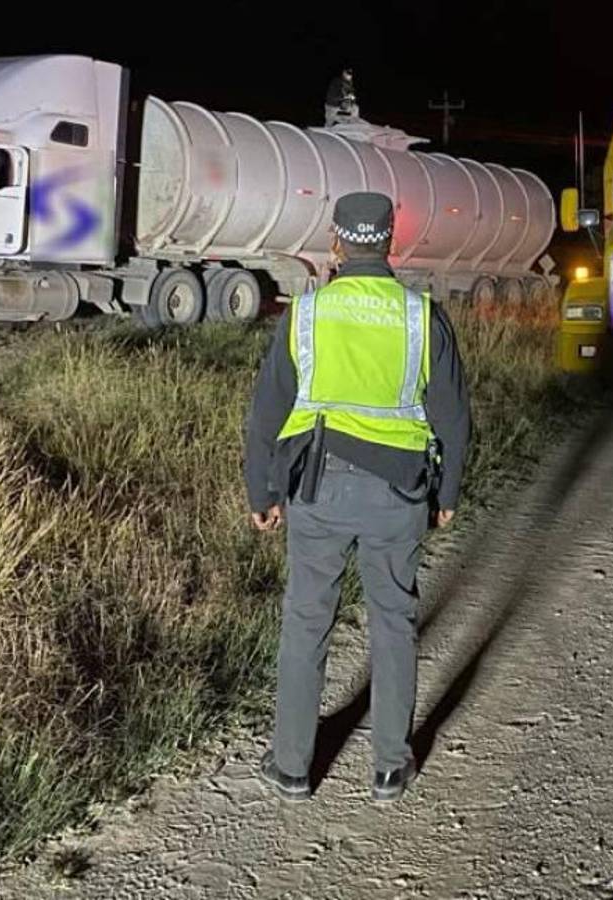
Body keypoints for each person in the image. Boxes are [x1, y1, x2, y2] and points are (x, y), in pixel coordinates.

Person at [245, 191, 471, 803]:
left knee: (306, 620)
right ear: (390, 242)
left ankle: (292, 767)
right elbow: (453, 418)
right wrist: (446, 492)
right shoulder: (422, 316)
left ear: (336, 243)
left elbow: (267, 411)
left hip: (317, 488)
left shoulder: (308, 313)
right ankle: (391, 769)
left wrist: (262, 489)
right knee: (393, 621)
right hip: (399, 493)